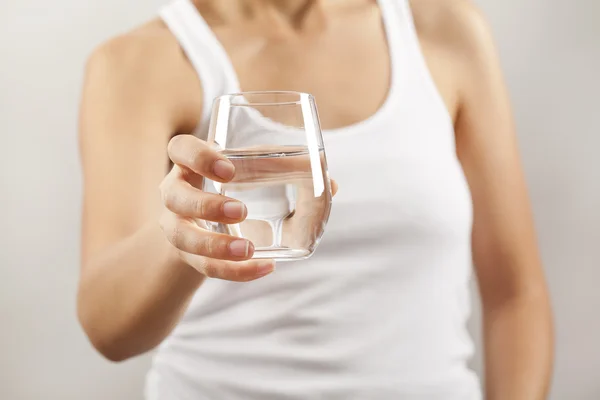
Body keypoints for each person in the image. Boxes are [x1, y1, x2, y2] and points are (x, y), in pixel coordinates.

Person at [76, 0, 554, 398]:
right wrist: (183, 237)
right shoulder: (141, 62)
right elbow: (108, 328)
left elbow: (516, 295)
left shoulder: (444, 31)